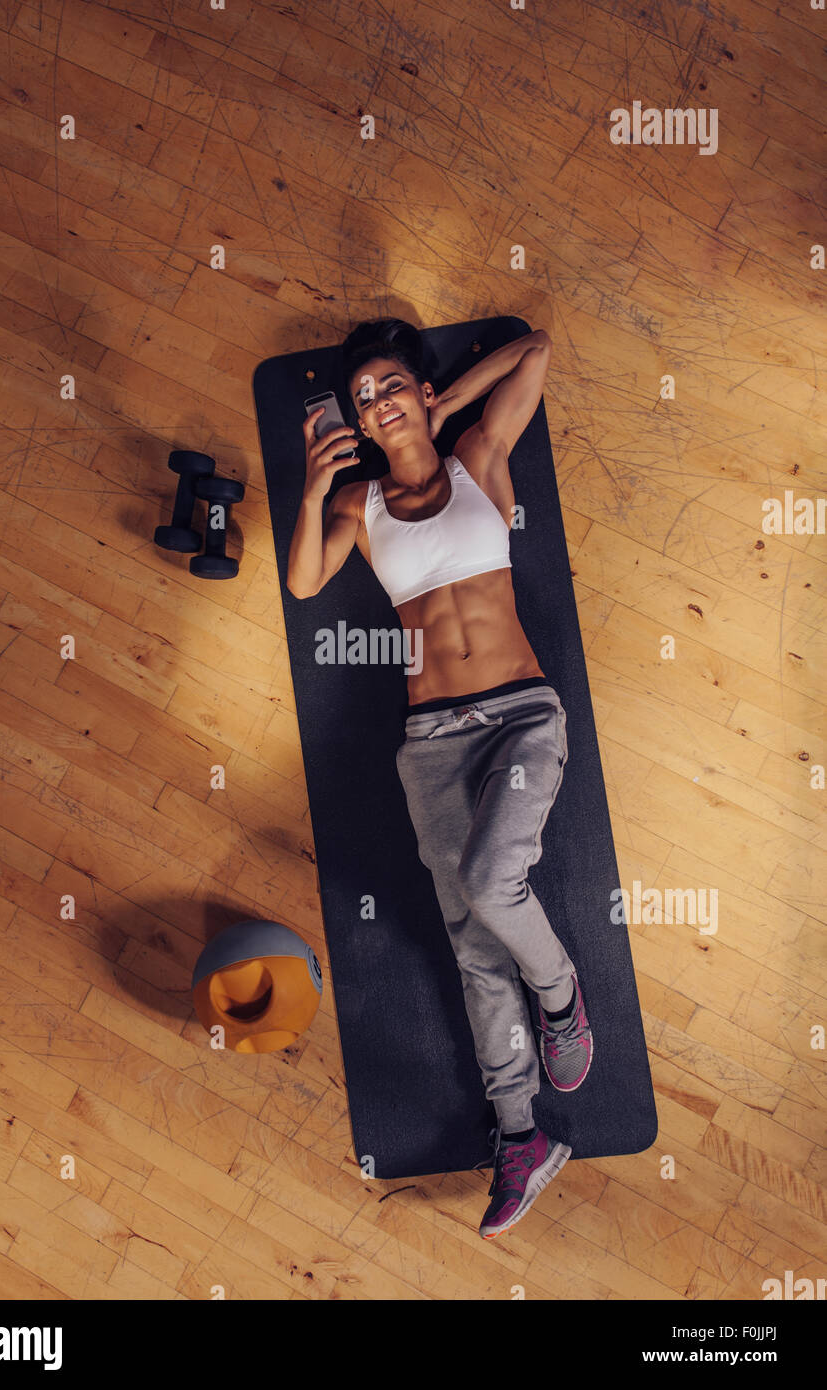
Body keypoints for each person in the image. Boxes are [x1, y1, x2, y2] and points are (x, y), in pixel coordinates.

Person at [287, 318, 593, 1239]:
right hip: (430, 737)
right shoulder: (358, 508)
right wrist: (313, 483)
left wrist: (445, 398)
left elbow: (537, 348)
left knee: (489, 881)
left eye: (389, 387)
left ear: (418, 394)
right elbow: (305, 583)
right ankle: (519, 1137)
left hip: (523, 715)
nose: (374, 406)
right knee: (471, 943)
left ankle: (563, 999)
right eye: (362, 400)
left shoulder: (478, 459)